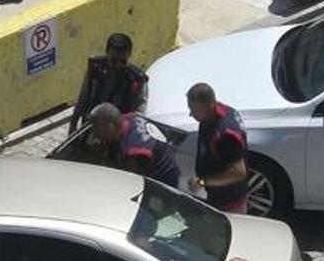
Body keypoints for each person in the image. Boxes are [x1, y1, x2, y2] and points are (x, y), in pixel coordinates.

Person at [186, 83, 249, 214]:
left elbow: (238, 172)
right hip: (215, 193)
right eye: (190, 108)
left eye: (195, 110)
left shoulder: (225, 134)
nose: (191, 114)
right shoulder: (216, 113)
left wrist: (202, 182)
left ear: (210, 105)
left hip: (229, 202)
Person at [69, 33, 148, 133]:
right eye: (113, 61)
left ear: (129, 56)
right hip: (91, 127)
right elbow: (83, 99)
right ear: (107, 53)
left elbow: (138, 116)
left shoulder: (137, 80)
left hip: (117, 134)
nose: (118, 66)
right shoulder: (95, 69)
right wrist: (73, 124)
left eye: (123, 61)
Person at [88, 103, 180, 187]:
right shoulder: (129, 118)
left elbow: (129, 182)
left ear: (110, 126)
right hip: (166, 160)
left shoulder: (135, 150)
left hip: (163, 182)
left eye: (97, 129)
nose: (95, 134)